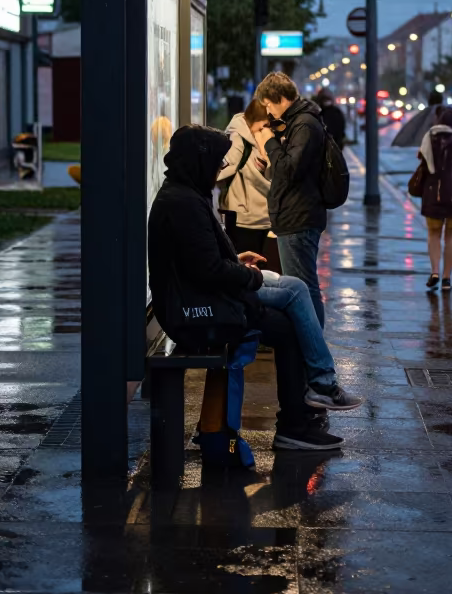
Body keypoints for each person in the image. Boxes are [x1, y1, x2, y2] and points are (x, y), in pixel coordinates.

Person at [148, 124, 350, 450]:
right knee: (289, 320)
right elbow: (209, 270)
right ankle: (298, 421)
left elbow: (202, 260)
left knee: (289, 315)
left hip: (195, 299)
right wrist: (250, 276)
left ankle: (301, 417)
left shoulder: (184, 193)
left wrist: (237, 260)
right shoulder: (183, 203)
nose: (219, 170)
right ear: (199, 162)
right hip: (193, 313)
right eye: (216, 163)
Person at [254, 72, 327, 326]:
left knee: (303, 290)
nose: (269, 113)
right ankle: (310, 350)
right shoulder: (297, 123)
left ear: (280, 98)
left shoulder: (304, 124)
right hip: (293, 215)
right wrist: (269, 162)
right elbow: (286, 170)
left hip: (299, 217)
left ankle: (313, 355)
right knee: (304, 288)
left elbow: (289, 170)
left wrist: (268, 142)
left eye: (268, 106)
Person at [416, 105, 452, 292]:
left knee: (433, 234)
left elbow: (423, 165)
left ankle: (434, 271)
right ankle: (447, 278)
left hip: (433, 194)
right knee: (451, 236)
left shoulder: (428, 139)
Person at [217, 98, 274, 256]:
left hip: (256, 215)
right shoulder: (238, 137)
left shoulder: (257, 135)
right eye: (265, 123)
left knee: (252, 265)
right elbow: (227, 165)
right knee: (247, 264)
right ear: (257, 119)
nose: (266, 127)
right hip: (244, 214)